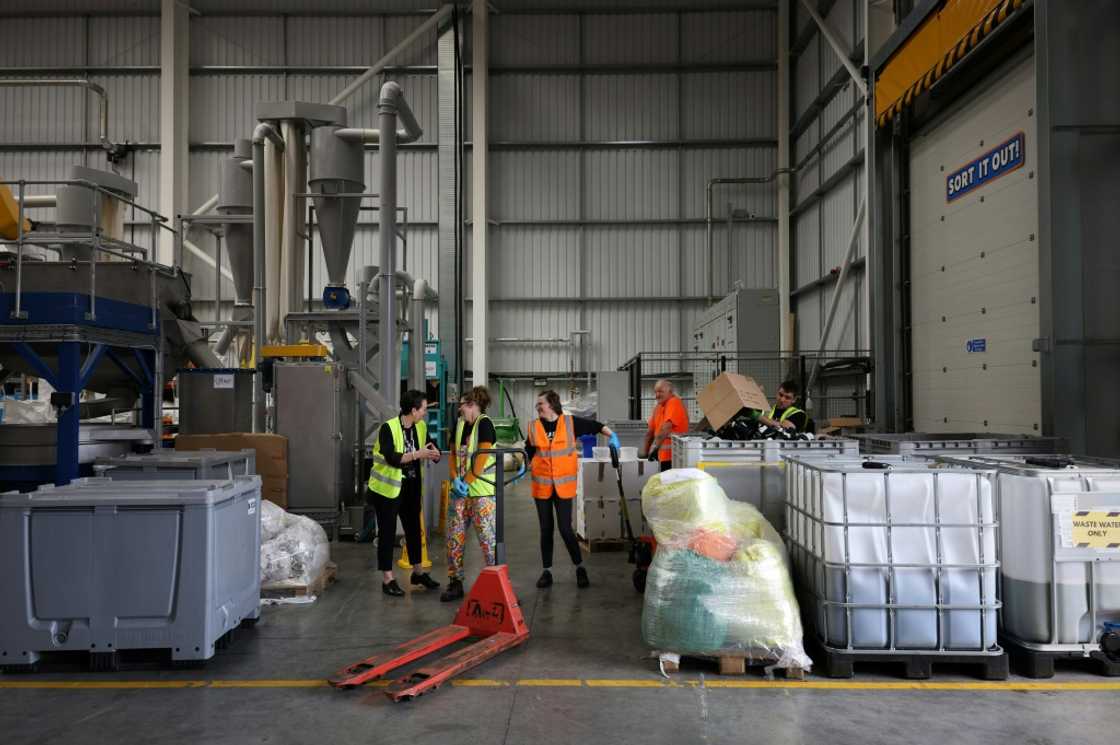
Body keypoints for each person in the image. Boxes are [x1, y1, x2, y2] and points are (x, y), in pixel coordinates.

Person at [525, 390, 619, 589]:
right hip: (542, 487)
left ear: (551, 404)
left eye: (540, 403)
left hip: (563, 486)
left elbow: (596, 426)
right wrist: (524, 462)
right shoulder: (533, 426)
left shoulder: (570, 423)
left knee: (566, 529)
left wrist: (613, 436)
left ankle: (579, 567)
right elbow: (529, 450)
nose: (537, 406)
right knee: (545, 530)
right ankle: (547, 571)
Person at [369, 389, 442, 597]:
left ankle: (418, 573)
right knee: (387, 532)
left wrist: (435, 454)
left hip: (410, 487)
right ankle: (388, 578)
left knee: (413, 530)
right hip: (387, 490)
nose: (425, 413)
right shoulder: (388, 428)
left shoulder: (420, 427)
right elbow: (392, 457)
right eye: (424, 409)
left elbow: (430, 446)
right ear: (413, 410)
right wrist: (418, 454)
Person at [441, 386, 498, 603]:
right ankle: (455, 582)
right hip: (460, 492)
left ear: (473, 405)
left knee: (488, 539)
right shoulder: (460, 425)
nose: (460, 410)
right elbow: (454, 454)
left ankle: (497, 584)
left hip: (481, 493)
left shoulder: (484, 425)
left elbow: (482, 460)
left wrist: (465, 482)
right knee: (454, 538)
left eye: (462, 405)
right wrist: (455, 477)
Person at [640, 379, 689, 472]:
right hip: (662, 458)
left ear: (670, 392)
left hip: (674, 458)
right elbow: (649, 433)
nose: (657, 395)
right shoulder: (658, 407)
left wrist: (650, 451)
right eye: (656, 392)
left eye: (661, 392)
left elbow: (666, 428)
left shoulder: (674, 402)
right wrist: (645, 455)